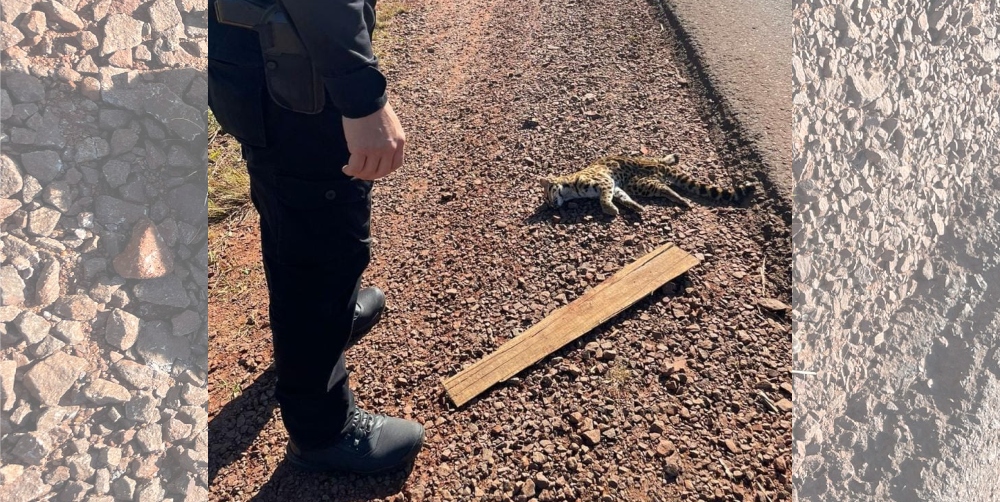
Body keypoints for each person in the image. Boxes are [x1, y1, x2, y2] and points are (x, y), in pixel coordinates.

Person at [207, 0, 425, 474]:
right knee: (319, 248)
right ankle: (322, 431)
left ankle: (331, 322)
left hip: (266, 60)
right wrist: (360, 96)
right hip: (295, 75)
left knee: (293, 222)